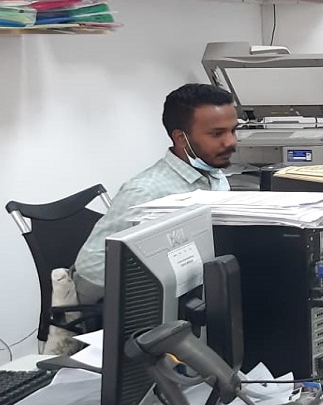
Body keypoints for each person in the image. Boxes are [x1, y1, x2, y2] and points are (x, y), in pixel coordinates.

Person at [72, 83, 238, 303]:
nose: (231, 141)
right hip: (158, 303)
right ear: (181, 139)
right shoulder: (146, 192)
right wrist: (161, 281)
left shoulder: (215, 176)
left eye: (233, 130)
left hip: (205, 288)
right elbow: (91, 268)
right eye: (217, 134)